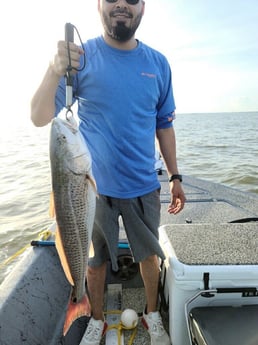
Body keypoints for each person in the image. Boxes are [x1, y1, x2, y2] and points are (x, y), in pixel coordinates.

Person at [31, 1, 186, 344]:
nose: (121, 4)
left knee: (149, 256)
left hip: (143, 184)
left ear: (142, 7)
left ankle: (152, 314)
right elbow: (40, 116)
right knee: (95, 259)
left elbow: (164, 125)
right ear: (99, 5)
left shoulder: (158, 63)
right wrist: (53, 70)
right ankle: (95, 318)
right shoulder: (80, 58)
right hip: (92, 188)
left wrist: (175, 176)